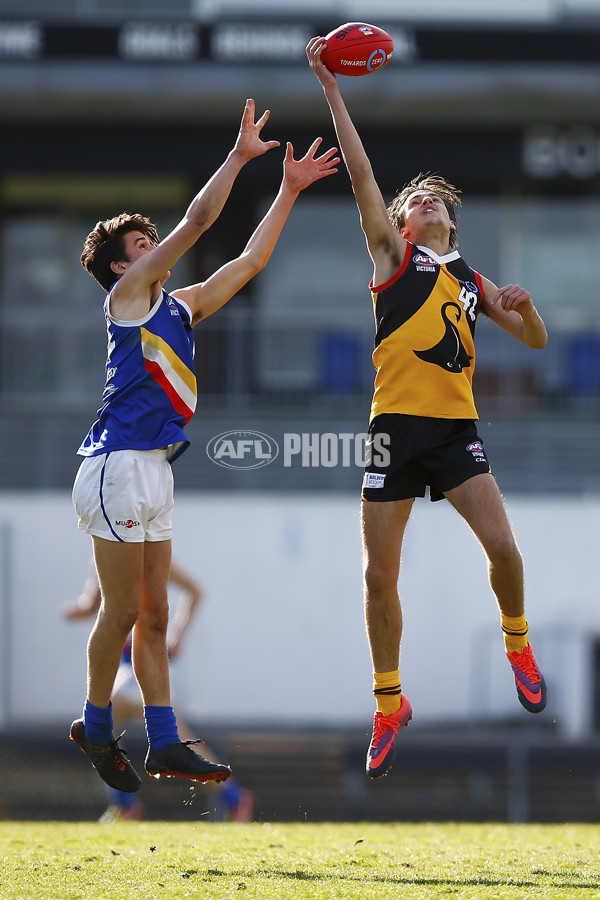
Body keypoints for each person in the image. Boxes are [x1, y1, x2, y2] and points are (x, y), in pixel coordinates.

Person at [71, 97, 339, 794]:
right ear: (118, 267)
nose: (150, 245)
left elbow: (247, 262)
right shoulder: (126, 296)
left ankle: (164, 741)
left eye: (146, 240)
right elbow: (198, 221)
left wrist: (285, 189)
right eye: (138, 243)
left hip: (154, 468)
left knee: (154, 614)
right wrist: (241, 157)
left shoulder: (179, 304)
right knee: (123, 612)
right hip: (117, 463)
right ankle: (96, 722)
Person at [306, 40, 549, 779]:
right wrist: (331, 87)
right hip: (389, 434)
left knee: (504, 551)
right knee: (379, 579)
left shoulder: (470, 277)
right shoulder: (392, 259)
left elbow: (535, 342)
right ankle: (389, 702)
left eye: (436, 198)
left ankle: (516, 640)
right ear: (401, 226)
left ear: (450, 224)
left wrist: (526, 310)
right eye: (415, 200)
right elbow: (361, 175)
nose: (427, 201)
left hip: (454, 432)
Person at [64, 560, 254, 821]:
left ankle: (232, 798)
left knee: (98, 736)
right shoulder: (106, 550)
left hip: (147, 664)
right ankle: (231, 798)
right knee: (97, 737)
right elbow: (93, 604)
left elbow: (194, 591)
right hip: (126, 665)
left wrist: (178, 634)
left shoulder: (150, 551)